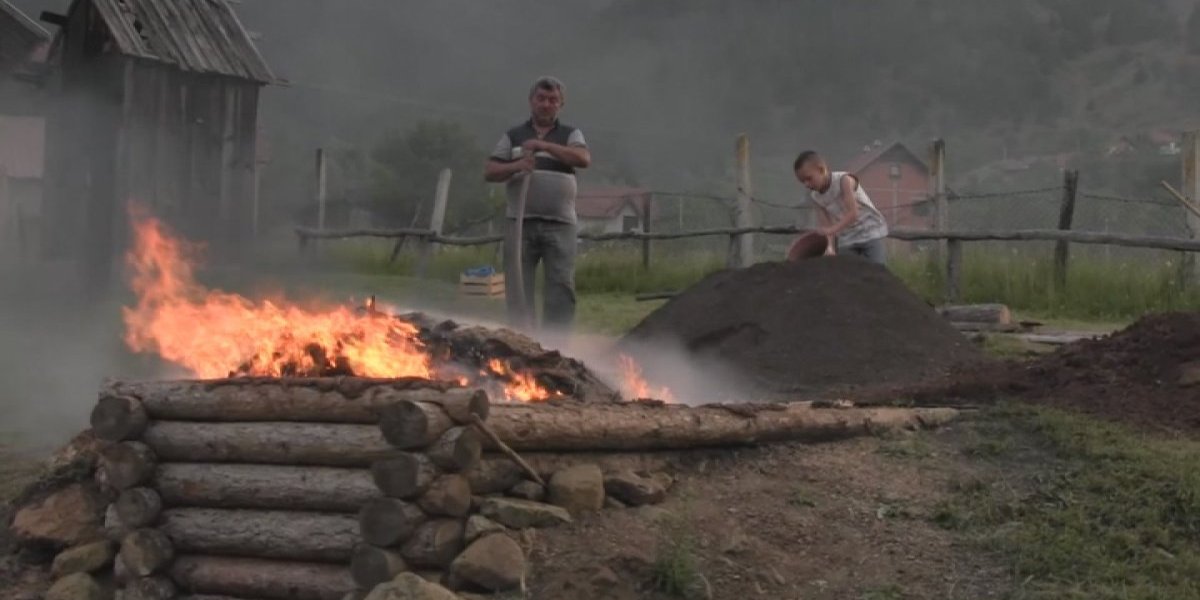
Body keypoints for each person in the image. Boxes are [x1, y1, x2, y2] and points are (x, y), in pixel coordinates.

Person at [484, 76, 591, 331]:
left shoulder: (570, 134)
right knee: (519, 285)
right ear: (531, 101)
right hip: (520, 223)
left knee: (561, 285)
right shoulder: (513, 136)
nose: (546, 104)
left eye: (552, 100)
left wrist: (543, 146)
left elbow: (583, 159)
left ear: (560, 105)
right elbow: (490, 171)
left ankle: (557, 345)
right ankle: (523, 340)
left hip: (561, 224)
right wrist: (517, 165)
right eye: (541, 99)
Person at [793, 150, 888, 265]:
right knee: (844, 272)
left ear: (821, 170)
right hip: (847, 238)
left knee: (877, 270)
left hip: (870, 232)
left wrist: (832, 229)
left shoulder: (844, 180)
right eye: (803, 181)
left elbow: (853, 214)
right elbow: (826, 226)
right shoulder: (816, 197)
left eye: (809, 178)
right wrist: (829, 247)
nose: (806, 184)